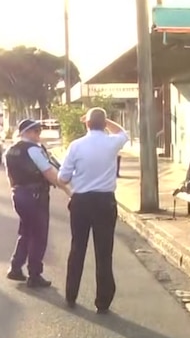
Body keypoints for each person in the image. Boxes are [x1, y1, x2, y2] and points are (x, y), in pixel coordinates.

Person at [58, 108, 129, 313]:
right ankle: (103, 301)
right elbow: (123, 133)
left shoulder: (76, 146)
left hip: (81, 201)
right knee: (104, 252)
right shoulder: (111, 142)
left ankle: (71, 295)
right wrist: (107, 121)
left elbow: (63, 178)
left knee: (77, 248)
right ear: (104, 123)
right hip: (105, 202)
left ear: (86, 124)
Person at [5, 119, 70, 288]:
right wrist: (69, 191)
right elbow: (49, 173)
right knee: (39, 235)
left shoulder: (10, 150)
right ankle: (34, 274)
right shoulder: (33, 150)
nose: (38, 134)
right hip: (35, 196)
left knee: (26, 231)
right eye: (36, 131)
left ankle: (15, 267)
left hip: (18, 194)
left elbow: (10, 177)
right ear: (27, 132)